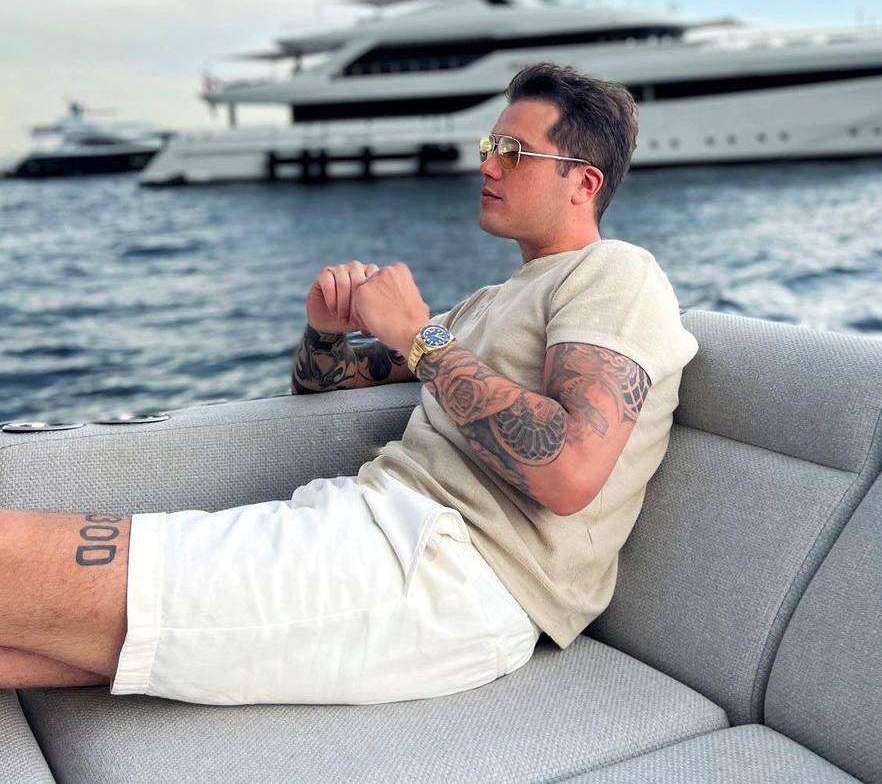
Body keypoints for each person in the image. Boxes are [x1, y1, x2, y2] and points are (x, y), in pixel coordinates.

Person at [0, 63, 697, 704]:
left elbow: (569, 473)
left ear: (583, 183)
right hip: (376, 527)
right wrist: (326, 332)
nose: (486, 164)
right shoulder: (489, 305)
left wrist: (419, 334)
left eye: (513, 152)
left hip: (454, 574)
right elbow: (322, 387)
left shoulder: (616, 274)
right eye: (489, 146)